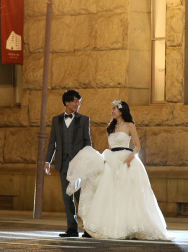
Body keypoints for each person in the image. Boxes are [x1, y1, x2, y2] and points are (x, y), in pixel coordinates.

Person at [66, 100, 168, 240]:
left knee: (128, 194)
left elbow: (137, 146)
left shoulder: (130, 125)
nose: (112, 110)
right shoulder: (110, 127)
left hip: (126, 159)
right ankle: (101, 225)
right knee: (106, 191)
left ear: (121, 110)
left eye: (114, 108)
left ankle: (132, 226)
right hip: (111, 158)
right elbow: (110, 147)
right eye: (112, 108)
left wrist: (129, 159)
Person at [44, 89, 92, 238]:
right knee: (67, 197)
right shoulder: (56, 120)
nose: (78, 104)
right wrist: (47, 161)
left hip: (79, 164)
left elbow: (87, 142)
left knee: (81, 197)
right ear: (67, 102)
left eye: (79, 102)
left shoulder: (84, 120)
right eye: (75, 101)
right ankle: (72, 229)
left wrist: (89, 161)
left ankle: (89, 229)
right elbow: (52, 142)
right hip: (63, 163)